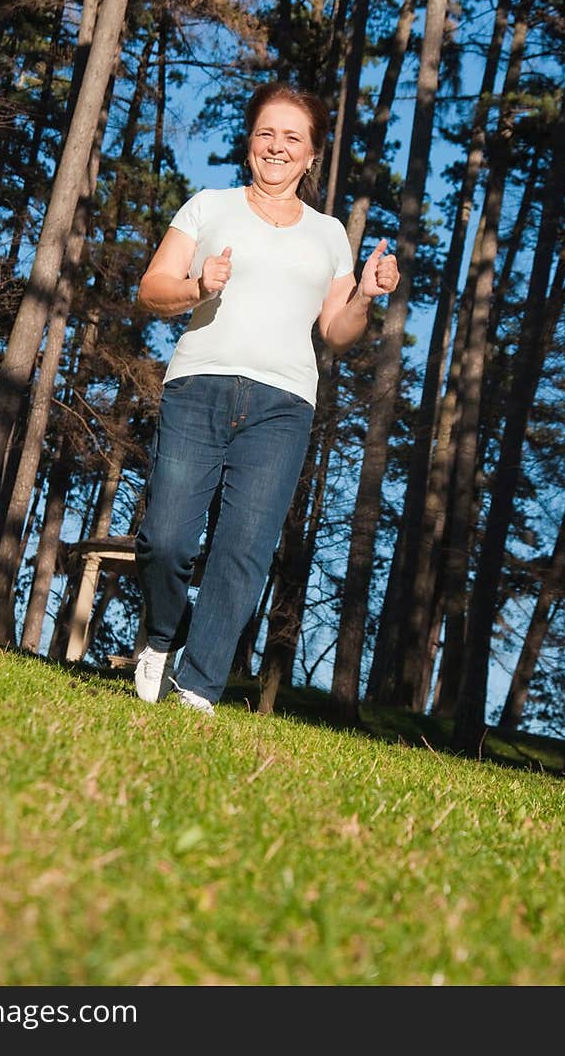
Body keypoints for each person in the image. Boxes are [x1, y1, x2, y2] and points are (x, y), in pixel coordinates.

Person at [132, 82, 400, 715]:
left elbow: (335, 332)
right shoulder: (208, 207)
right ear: (249, 143)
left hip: (283, 405)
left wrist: (363, 295)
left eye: (293, 139)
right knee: (166, 540)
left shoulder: (330, 234)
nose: (278, 148)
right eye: (267, 135)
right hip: (198, 387)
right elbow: (152, 289)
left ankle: (197, 687)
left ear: (311, 157)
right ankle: (161, 637)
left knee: (244, 549)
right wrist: (199, 284)